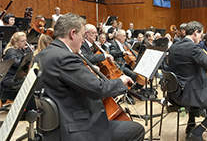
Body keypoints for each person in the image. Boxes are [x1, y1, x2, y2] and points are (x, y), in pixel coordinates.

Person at [35, 13, 144, 141]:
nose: (82, 40)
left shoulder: (42, 55)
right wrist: (121, 81)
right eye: (82, 36)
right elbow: (98, 88)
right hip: (75, 127)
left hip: (56, 123)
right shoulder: (65, 58)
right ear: (72, 33)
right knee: (136, 130)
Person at [0, 32, 29, 101]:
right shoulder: (10, 51)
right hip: (8, 78)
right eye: (22, 41)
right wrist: (27, 55)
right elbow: (18, 64)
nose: (25, 43)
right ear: (16, 42)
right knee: (26, 82)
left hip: (15, 76)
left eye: (25, 40)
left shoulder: (19, 49)